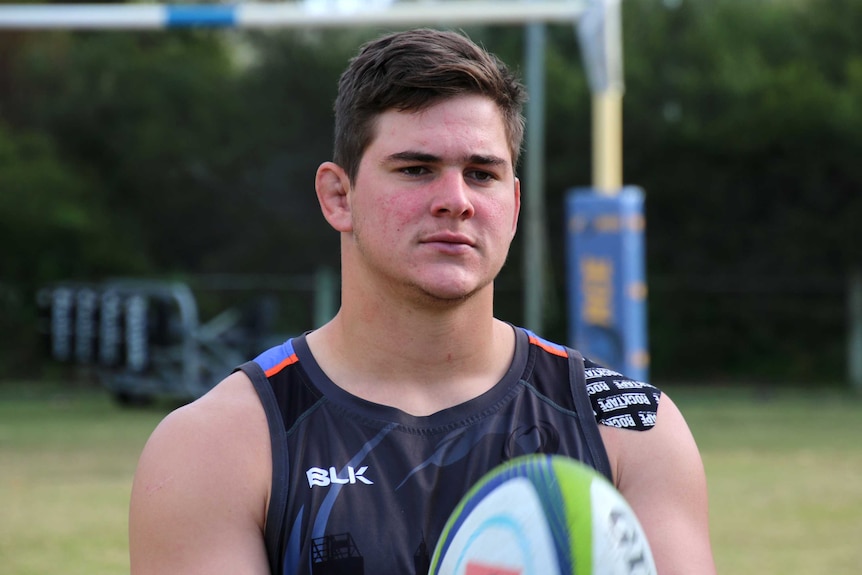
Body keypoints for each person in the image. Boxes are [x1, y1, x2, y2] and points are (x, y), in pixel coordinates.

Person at [129, 28, 716, 575]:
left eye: (482, 174)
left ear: (512, 205)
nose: (455, 200)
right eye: (416, 169)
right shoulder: (219, 444)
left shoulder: (630, 426)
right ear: (339, 196)